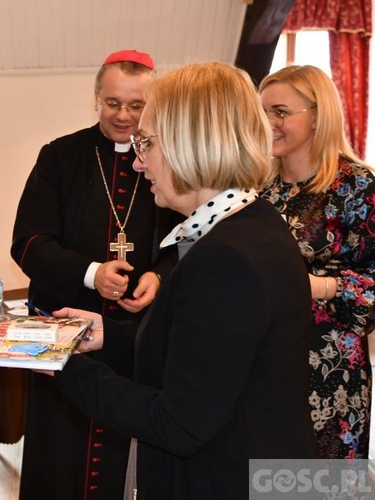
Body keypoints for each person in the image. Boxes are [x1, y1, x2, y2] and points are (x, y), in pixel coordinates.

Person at [44, 61, 319, 499]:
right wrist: (109, 337)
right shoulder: (253, 220)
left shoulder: (226, 256)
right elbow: (206, 355)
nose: (137, 162)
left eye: (147, 143)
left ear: (190, 143)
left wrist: (61, 364)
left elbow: (179, 423)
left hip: (230, 480)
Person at [11, 49, 179, 499]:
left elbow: (181, 240)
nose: (124, 115)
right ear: (96, 99)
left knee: (125, 451)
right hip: (64, 327)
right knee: (60, 451)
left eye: (136, 105)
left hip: (132, 333)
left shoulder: (166, 161)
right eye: (113, 103)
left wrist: (159, 278)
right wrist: (91, 273)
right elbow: (26, 243)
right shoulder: (60, 156)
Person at [259, 65, 375, 459]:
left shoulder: (359, 186)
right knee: (269, 483)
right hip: (266, 364)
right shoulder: (258, 189)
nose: (268, 122)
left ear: (317, 116)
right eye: (262, 112)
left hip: (332, 374)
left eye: (280, 112)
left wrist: (321, 286)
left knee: (319, 485)